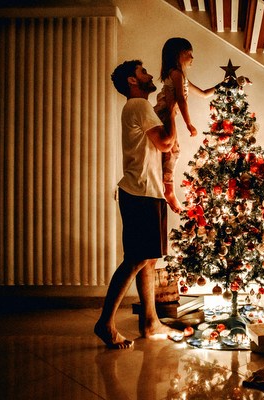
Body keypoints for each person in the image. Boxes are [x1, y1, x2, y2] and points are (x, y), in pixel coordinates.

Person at [94, 60, 182, 349]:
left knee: (148, 257)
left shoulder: (138, 109)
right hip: (141, 191)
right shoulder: (138, 106)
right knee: (135, 258)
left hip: (148, 191)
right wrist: (172, 106)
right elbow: (166, 142)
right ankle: (106, 323)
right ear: (132, 81)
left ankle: (150, 321)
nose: (148, 75)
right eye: (142, 72)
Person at [154, 37, 216, 213]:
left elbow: (204, 94)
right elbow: (180, 100)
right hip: (164, 115)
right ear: (178, 55)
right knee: (173, 151)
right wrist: (189, 124)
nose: (192, 58)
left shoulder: (181, 77)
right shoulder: (176, 74)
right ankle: (169, 191)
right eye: (189, 54)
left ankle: (167, 189)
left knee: (171, 152)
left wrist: (223, 84)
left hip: (167, 115)